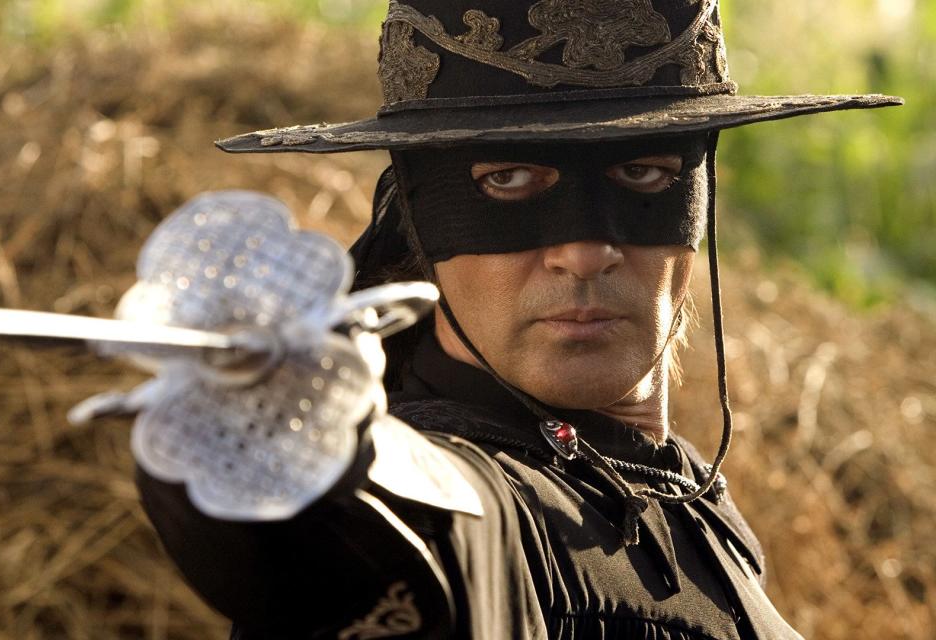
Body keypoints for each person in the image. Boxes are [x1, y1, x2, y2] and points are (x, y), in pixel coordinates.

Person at [137, 1, 901, 638]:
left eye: (644, 173)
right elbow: (388, 527)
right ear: (421, 220)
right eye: (507, 179)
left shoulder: (696, 503)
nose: (585, 251)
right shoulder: (473, 505)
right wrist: (296, 439)